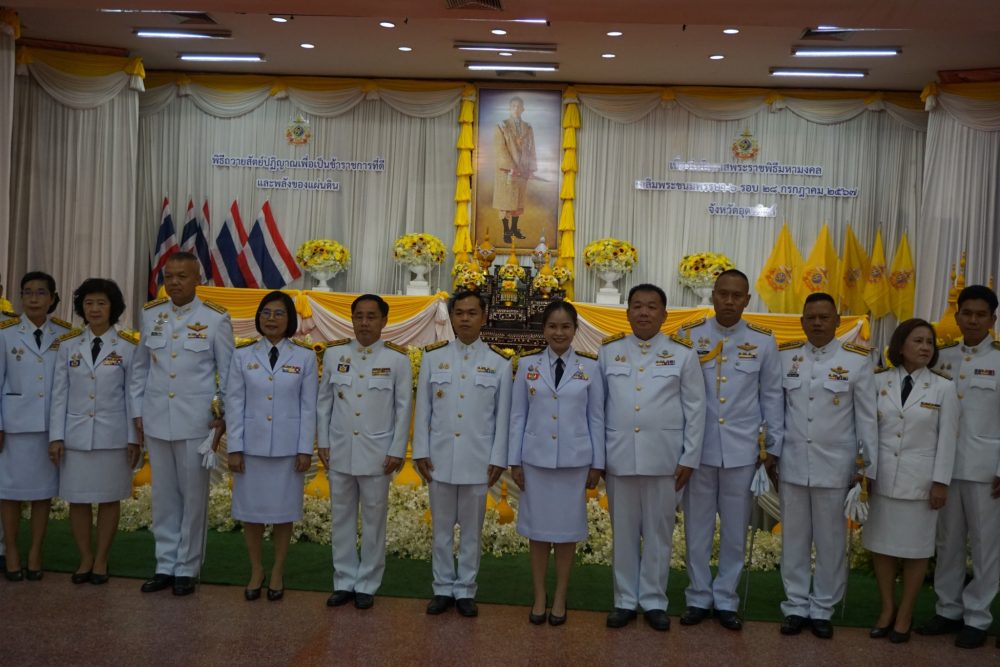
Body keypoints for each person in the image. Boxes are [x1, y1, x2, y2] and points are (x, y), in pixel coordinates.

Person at [681, 269, 783, 630]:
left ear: (747, 300)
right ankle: (697, 596)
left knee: (736, 530)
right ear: (712, 296)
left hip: (742, 450)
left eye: (736, 295)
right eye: (722, 293)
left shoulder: (763, 341)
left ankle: (726, 599)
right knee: (697, 527)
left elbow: (772, 396)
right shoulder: (689, 336)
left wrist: (772, 445)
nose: (728, 301)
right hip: (698, 449)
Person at [600, 284, 705, 631]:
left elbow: (696, 409)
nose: (644, 312)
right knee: (624, 533)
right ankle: (624, 600)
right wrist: (599, 458)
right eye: (637, 306)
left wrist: (689, 457)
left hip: (665, 460)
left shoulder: (682, 354)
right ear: (627, 311)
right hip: (619, 458)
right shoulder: (609, 351)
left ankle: (655, 600)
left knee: (659, 534)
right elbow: (598, 409)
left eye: (651, 306)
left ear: (664, 314)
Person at [130, 251, 233, 596]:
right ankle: (165, 564)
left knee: (192, 497)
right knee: (163, 496)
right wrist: (138, 411)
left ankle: (187, 567)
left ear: (197, 279)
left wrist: (222, 415)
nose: (174, 282)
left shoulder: (215, 318)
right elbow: (140, 368)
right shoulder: (151, 314)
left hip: (196, 421)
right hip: (157, 416)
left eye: (182, 276)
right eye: (169, 276)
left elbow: (227, 373)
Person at [776, 292, 877, 639]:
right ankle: (795, 606)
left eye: (824, 317)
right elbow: (777, 409)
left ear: (837, 321)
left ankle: (822, 608)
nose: (817, 323)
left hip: (836, 466)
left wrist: (866, 468)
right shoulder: (786, 356)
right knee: (794, 540)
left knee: (831, 542)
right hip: (792, 463)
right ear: (802, 321)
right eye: (811, 317)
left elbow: (867, 418)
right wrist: (770, 454)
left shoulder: (856, 360)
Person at [413, 290, 513, 618]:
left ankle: (466, 589)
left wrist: (498, 457)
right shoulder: (433, 358)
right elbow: (423, 410)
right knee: (441, 530)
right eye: (459, 313)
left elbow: (503, 416)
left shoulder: (499, 362)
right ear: (452, 317)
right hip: (439, 458)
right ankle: (442, 588)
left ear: (485, 317)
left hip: (478, 460)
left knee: (471, 531)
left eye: (472, 313)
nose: (465, 319)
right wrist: (421, 450)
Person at [510, 300, 604, 626]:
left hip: (574, 463)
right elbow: (518, 415)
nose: (559, 332)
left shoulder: (590, 367)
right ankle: (539, 596)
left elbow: (596, 418)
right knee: (537, 532)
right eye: (552, 326)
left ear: (575, 330)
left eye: (565, 326)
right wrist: (514, 461)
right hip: (535, 461)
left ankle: (560, 596)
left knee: (566, 533)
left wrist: (597, 463)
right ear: (543, 329)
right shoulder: (527, 365)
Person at [865, 318, 958, 643]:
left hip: (921, 484)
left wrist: (940, 482)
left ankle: (905, 614)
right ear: (900, 345)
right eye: (917, 341)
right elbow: (867, 431)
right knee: (882, 548)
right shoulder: (878, 381)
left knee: (916, 551)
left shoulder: (943, 387)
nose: (925, 347)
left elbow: (948, 439)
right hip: (881, 479)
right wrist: (863, 474)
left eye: (929, 342)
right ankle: (887, 609)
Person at [917, 285, 1000, 649]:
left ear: (992, 320)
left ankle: (978, 617)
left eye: (981, 315)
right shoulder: (943, 358)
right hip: (945, 470)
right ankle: (947, 609)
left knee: (985, 546)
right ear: (957, 315)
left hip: (986, 472)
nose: (973, 320)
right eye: (967, 313)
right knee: (947, 542)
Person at [318, 294, 412, 610]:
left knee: (374, 521)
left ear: (384, 321)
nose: (364, 323)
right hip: (340, 450)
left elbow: (403, 409)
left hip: (377, 454)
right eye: (359, 316)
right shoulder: (334, 354)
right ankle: (344, 580)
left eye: (371, 317)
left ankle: (368, 583)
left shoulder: (397, 359)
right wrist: (323, 441)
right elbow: (324, 403)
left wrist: (397, 449)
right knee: (341, 518)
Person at [225, 291, 316, 602]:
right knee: (251, 513)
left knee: (282, 513)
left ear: (290, 319)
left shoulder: (304, 357)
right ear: (258, 317)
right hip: (250, 448)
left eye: (279, 313)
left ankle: (277, 570)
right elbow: (234, 403)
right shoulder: (242, 355)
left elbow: (309, 407)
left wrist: (305, 449)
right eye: (266, 313)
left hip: (287, 450)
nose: (272, 319)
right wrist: (234, 447)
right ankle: (256, 570)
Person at [48, 279, 140, 585]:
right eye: (89, 303)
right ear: (81, 308)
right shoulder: (68, 345)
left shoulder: (128, 346)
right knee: (78, 499)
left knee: (109, 498)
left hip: (113, 437)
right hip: (75, 436)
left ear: (113, 307)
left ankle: (101, 559)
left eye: (101, 303)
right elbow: (59, 394)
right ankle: (85, 557)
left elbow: (132, 395)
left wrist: (133, 438)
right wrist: (56, 436)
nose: (95, 309)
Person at [0, 271, 72, 580]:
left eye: (41, 292)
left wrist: (61, 431)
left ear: (53, 298)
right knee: (9, 493)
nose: (33, 298)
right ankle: (11, 552)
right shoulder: (5, 332)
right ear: (20, 297)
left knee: (43, 493)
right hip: (13, 427)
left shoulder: (65, 334)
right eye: (27, 292)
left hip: (49, 428)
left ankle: (35, 553)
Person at [493, 95, 536, 245]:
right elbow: (500, 149)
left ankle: (514, 228)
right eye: (513, 106)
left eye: (519, 106)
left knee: (518, 202)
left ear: (523, 109)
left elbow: (531, 148)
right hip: (507, 171)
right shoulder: (502, 126)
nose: (516, 109)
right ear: (509, 108)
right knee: (505, 202)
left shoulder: (528, 127)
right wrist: (511, 167)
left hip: (522, 170)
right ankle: (506, 230)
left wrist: (531, 168)